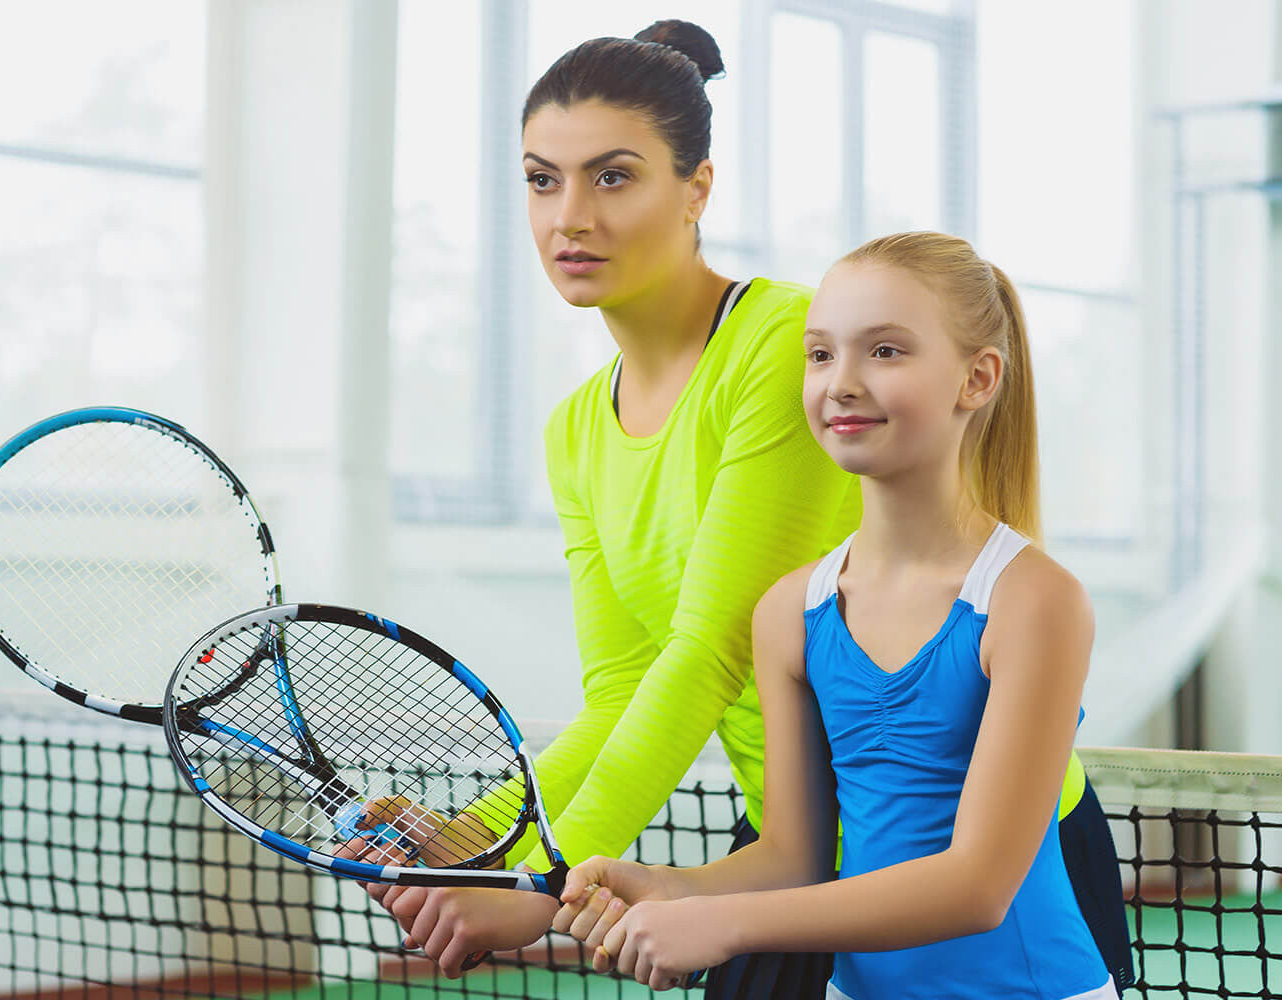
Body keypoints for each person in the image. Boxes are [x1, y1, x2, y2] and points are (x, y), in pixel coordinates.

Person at [366, 22, 1131, 999]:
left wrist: (541, 880)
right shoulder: (571, 431)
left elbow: (706, 650)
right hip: (794, 845)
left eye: (611, 177)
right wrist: (484, 838)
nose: (569, 217)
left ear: (697, 188)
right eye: (539, 179)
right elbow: (621, 690)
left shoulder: (782, 345)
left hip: (997, 864)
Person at [550, 232, 1127, 999]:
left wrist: (725, 926)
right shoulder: (791, 610)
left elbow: (978, 886)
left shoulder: (1035, 600)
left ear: (977, 378)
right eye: (820, 355)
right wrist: (670, 886)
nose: (841, 383)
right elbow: (791, 856)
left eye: (885, 352)